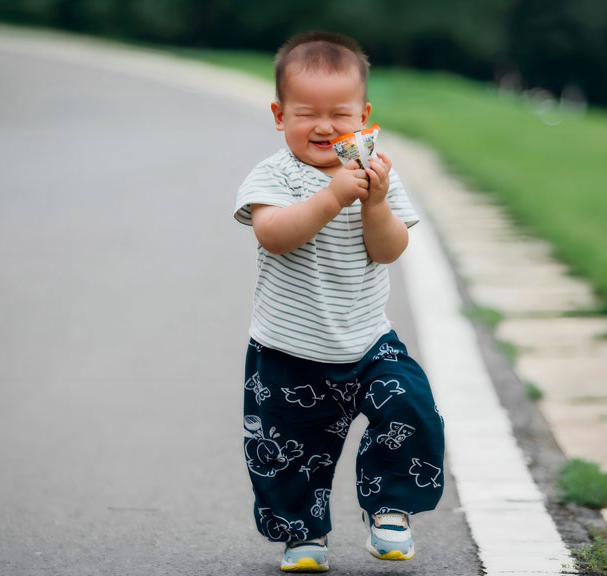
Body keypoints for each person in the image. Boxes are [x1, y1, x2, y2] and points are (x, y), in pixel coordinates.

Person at [234, 30, 445, 573]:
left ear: (364, 117)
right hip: (287, 351)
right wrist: (332, 196)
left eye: (340, 114)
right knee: (289, 451)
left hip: (368, 341)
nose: (324, 127)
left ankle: (390, 509)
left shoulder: (378, 176)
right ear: (279, 115)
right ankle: (303, 535)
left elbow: (389, 250)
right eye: (306, 114)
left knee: (411, 406)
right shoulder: (275, 174)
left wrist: (374, 203)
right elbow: (274, 235)